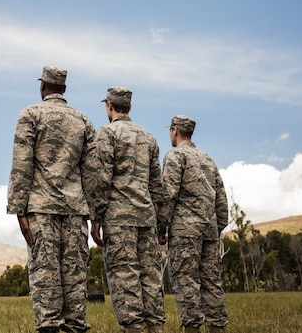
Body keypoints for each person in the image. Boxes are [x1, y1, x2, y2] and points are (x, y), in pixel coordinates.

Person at [7, 65, 97, 333]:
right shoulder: (83, 120)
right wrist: (95, 216)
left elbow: (21, 164)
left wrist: (18, 210)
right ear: (64, 89)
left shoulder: (30, 114)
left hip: (41, 210)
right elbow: (91, 173)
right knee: (74, 280)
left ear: (42, 86)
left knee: (46, 280)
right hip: (75, 210)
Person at [89, 87, 166, 333]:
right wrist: (160, 223)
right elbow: (157, 186)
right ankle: (155, 327)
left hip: (119, 218)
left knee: (125, 276)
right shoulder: (149, 137)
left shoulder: (107, 134)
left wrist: (96, 217)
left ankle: (133, 328)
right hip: (146, 217)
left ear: (109, 106)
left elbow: (101, 179)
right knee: (150, 277)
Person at [159, 115, 229, 333]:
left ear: (174, 130)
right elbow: (221, 199)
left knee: (186, 281)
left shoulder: (175, 156)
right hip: (209, 229)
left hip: (184, 231)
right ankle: (217, 327)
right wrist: (217, 227)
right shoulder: (207, 159)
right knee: (211, 281)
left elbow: (168, 194)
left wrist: (161, 227)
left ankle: (192, 329)